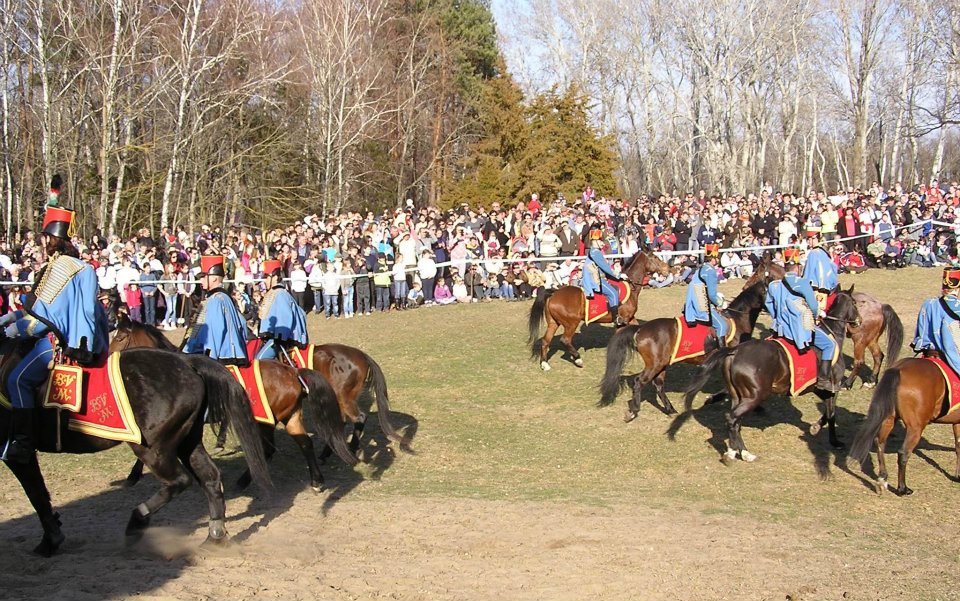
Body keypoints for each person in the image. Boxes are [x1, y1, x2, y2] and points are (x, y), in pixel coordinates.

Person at [1, 197, 108, 463]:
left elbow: (39, 321)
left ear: (51, 238)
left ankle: (23, 442)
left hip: (55, 344)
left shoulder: (59, 268)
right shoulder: (81, 266)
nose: (42, 243)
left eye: (44, 237)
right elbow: (39, 308)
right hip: (83, 341)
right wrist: (6, 318)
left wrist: (9, 331)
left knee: (17, 379)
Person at [764, 248, 838, 392]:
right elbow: (814, 307)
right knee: (830, 345)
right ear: (798, 267)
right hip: (797, 330)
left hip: (780, 328)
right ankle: (823, 380)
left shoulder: (774, 285)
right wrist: (819, 313)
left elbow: (768, 304)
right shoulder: (802, 283)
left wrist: (778, 317)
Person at [182, 255, 248, 366]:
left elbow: (214, 332)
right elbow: (242, 323)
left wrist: (209, 360)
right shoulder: (225, 298)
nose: (201, 280)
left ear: (214, 278)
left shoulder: (215, 300)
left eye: (204, 276)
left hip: (220, 358)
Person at [255, 258, 308, 361]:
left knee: (260, 360)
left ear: (274, 277)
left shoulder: (280, 294)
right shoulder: (273, 292)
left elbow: (285, 318)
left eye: (267, 277)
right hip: (271, 338)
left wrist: (280, 338)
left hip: (281, 339)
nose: (265, 280)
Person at [682, 243, 729, 344]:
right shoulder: (710, 271)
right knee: (722, 325)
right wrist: (720, 303)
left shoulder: (702, 268)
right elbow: (711, 295)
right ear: (713, 258)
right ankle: (721, 354)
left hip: (694, 300)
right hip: (702, 304)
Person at [580, 227, 625, 326]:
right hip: (595, 280)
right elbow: (605, 267)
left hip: (599, 277)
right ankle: (615, 318)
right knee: (613, 293)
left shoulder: (595, 252)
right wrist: (619, 275)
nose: (603, 243)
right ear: (595, 241)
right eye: (600, 241)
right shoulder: (595, 253)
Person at [802, 235, 840, 314]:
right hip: (826, 285)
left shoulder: (813, 253)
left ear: (814, 239)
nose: (808, 242)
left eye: (809, 240)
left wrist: (803, 283)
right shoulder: (824, 252)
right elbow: (834, 267)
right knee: (822, 309)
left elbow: (809, 270)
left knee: (812, 311)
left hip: (815, 286)